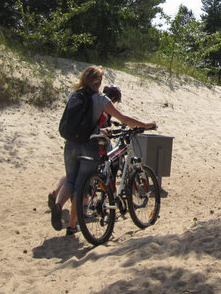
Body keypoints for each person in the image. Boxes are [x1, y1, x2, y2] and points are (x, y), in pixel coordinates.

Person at [51, 67, 156, 236]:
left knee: (70, 180)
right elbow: (124, 119)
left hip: (70, 144)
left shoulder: (74, 95)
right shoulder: (99, 99)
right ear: (97, 82)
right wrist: (145, 124)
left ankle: (57, 205)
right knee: (81, 187)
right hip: (89, 144)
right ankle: (71, 226)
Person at [47, 85, 122, 211]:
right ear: (113, 98)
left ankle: (56, 194)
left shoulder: (83, 97)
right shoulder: (104, 104)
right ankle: (84, 206)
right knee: (89, 176)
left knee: (71, 174)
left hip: (73, 141)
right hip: (91, 144)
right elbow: (100, 125)